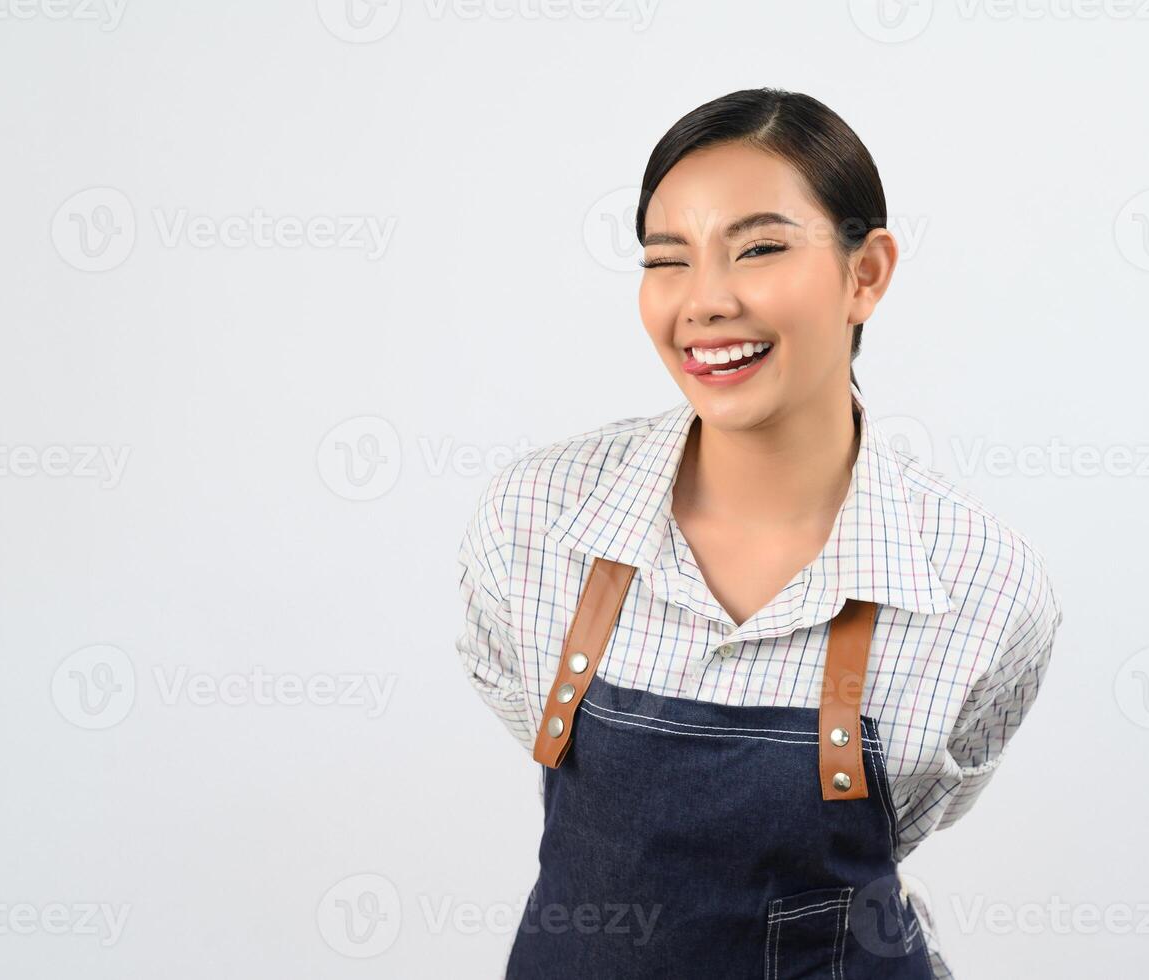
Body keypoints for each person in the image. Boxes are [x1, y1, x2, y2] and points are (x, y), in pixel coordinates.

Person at [455, 87, 1064, 979]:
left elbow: (923, 808)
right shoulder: (534, 523)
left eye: (760, 249)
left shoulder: (982, 582)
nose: (703, 302)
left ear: (866, 274)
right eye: (668, 260)